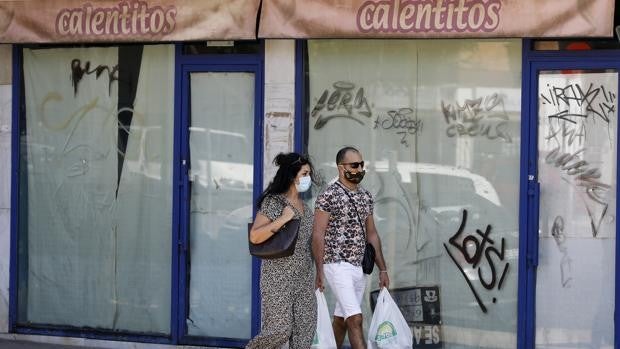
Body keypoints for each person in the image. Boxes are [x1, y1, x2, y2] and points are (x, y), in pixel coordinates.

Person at [312, 146, 390, 349]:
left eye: (362, 164)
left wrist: (383, 268)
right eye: (354, 165)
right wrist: (319, 270)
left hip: (359, 267)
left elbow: (372, 234)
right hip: (336, 265)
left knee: (341, 320)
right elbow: (318, 234)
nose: (359, 169)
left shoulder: (366, 196)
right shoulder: (328, 195)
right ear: (341, 167)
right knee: (355, 320)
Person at [246, 152, 318, 349]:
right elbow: (255, 236)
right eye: (304, 174)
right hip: (277, 277)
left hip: (303, 277)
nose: (308, 178)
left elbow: (309, 244)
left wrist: (319, 271)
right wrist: (283, 219)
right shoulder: (275, 202)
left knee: (305, 331)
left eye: (309, 174)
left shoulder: (306, 208)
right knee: (280, 329)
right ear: (292, 175)